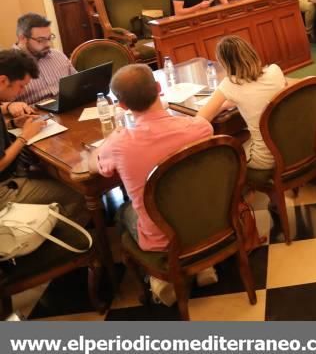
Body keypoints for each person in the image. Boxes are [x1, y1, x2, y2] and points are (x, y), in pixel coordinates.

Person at [90, 64, 214, 302]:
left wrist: (104, 145)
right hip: (207, 219)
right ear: (159, 89)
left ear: (122, 105)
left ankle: (157, 276)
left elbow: (94, 167)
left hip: (162, 236)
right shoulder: (199, 128)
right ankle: (201, 264)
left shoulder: (120, 144)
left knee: (122, 212)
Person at [0, 49, 88, 225]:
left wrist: (12, 124)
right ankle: (58, 244)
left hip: (14, 172)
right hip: (3, 188)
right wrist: (24, 136)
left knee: (58, 177)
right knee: (79, 196)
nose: (21, 92)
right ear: (3, 81)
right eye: (21, 86)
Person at [198, 36, 286, 176]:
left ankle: (238, 195)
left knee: (221, 157)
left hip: (265, 158)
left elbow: (200, 119)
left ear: (225, 63)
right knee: (242, 136)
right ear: (251, 52)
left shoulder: (230, 84)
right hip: (288, 146)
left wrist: (221, 106)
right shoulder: (275, 71)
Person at [13, 13, 75, 105]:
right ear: (22, 38)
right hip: (34, 114)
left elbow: (77, 82)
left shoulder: (57, 55)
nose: (47, 44)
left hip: (67, 106)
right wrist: (9, 106)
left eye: (49, 38)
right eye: (41, 40)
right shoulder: (7, 64)